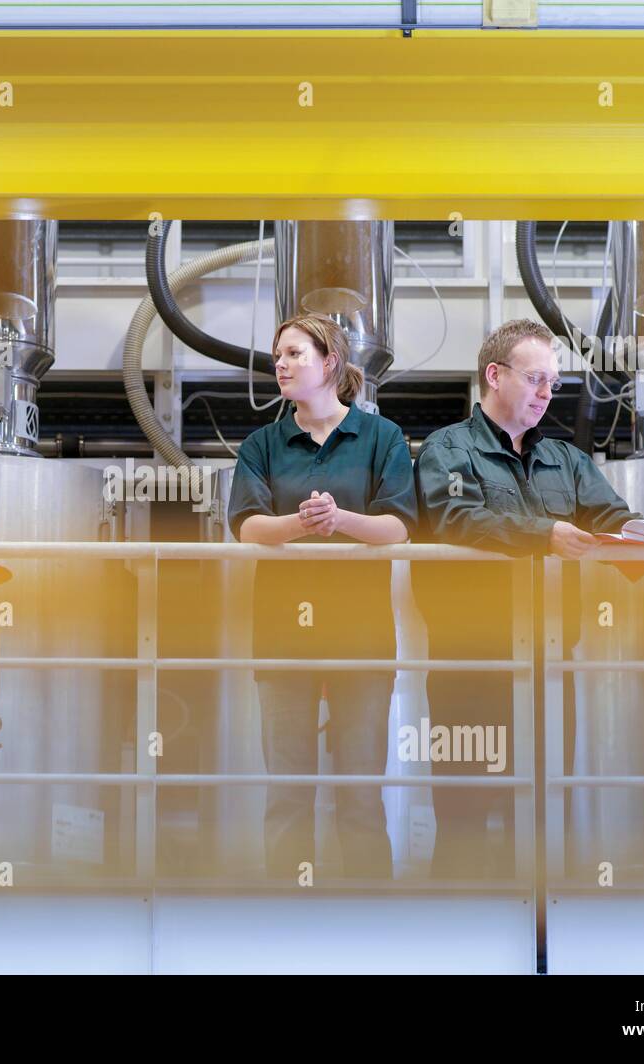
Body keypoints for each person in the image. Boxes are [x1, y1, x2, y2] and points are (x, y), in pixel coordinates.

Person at [412, 318, 644, 879]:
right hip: (470, 659)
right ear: (494, 375)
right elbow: (455, 518)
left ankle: (544, 938)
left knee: (544, 802)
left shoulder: (564, 459)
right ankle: (456, 930)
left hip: (548, 654)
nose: (547, 393)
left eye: (554, 383)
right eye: (536, 378)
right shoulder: (448, 449)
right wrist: (543, 534)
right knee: (466, 804)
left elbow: (610, 520)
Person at [226, 313, 418, 881]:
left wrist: (340, 520)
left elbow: (400, 526)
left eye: (293, 354)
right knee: (287, 790)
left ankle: (369, 923)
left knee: (361, 789)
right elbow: (246, 526)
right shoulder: (262, 443)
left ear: (329, 361)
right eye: (277, 356)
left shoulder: (381, 437)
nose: (279, 365)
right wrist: (303, 526)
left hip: (362, 635)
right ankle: (287, 920)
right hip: (283, 636)